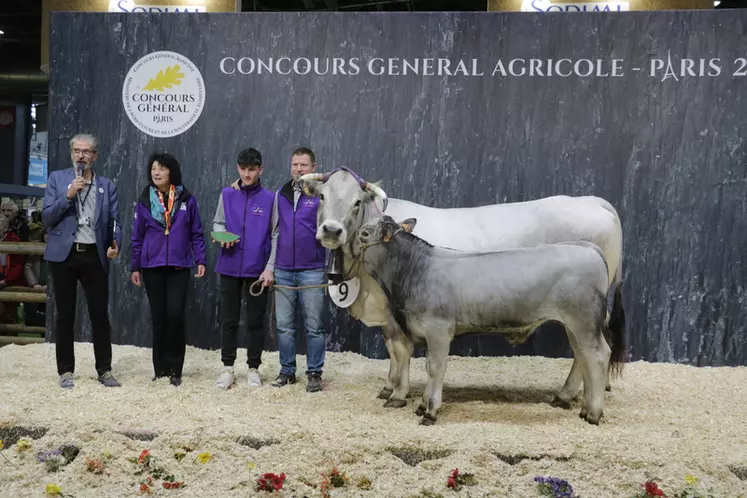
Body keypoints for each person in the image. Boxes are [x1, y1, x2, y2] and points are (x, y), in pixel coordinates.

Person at [42, 133, 122, 389]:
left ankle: (104, 370)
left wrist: (115, 243)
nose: (81, 155)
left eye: (86, 151)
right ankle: (66, 371)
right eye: (77, 151)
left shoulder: (106, 185)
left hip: (94, 254)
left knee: (99, 314)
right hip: (64, 255)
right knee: (65, 315)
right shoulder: (58, 179)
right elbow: (46, 217)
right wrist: (68, 195)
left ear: (95, 156)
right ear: (71, 154)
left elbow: (115, 222)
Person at [130, 152, 207, 386]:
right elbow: (137, 237)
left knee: (175, 315)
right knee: (159, 318)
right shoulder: (145, 200)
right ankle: (160, 368)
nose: (156, 172)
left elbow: (197, 233)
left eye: (162, 168)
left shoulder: (186, 199)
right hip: (152, 267)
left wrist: (200, 259)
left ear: (171, 171)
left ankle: (176, 368)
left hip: (179, 266)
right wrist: (135, 266)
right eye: (154, 168)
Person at [213, 148, 275, 389]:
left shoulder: (270, 198)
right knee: (229, 320)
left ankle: (253, 369)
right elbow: (218, 222)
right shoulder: (227, 194)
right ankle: (228, 368)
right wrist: (220, 235)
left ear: (261, 169)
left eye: (251, 169)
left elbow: (275, 234)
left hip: (257, 270)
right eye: (243, 169)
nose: (247, 174)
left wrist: (269, 266)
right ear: (237, 168)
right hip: (228, 266)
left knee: (255, 322)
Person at [271, 147, 327, 392]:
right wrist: (270, 267)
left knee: (314, 326)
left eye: (304, 165)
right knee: (284, 326)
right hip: (283, 269)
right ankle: (287, 371)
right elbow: (274, 233)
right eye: (295, 164)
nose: (298, 169)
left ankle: (314, 372)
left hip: (312, 269)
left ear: (313, 167)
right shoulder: (280, 194)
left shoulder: (322, 195)